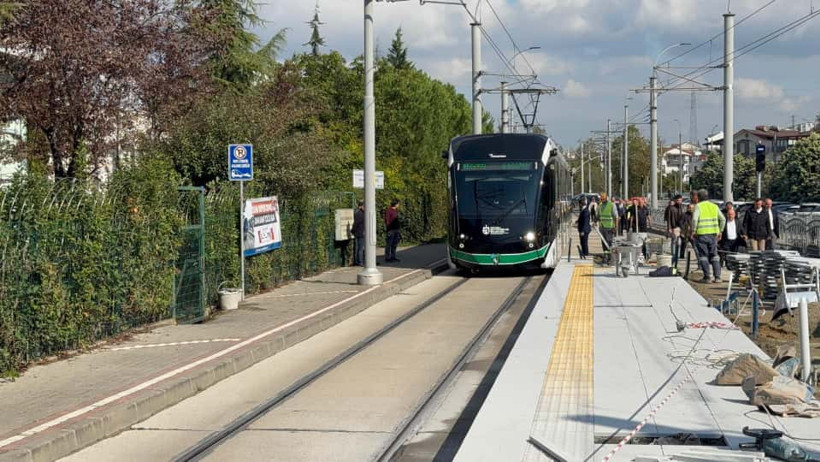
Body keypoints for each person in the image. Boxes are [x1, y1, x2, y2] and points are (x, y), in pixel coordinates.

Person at [691, 189, 726, 283]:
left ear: (699, 197)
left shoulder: (698, 206)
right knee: (715, 256)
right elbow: (723, 219)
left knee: (703, 256)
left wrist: (693, 230)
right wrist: (720, 231)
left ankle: (707, 277)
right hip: (713, 235)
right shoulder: (714, 206)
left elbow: (694, 219)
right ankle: (717, 277)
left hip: (701, 234)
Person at [598, 193, 619, 264]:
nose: (602, 201)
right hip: (602, 227)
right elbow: (598, 215)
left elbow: (616, 217)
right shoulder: (600, 205)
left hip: (609, 227)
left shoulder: (612, 205)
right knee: (603, 243)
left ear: (606, 198)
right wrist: (595, 221)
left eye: (603, 199)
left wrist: (616, 227)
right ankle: (605, 256)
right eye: (602, 199)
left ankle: (610, 258)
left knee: (609, 242)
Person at [352, 200, 365, 266]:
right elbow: (356, 223)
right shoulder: (359, 214)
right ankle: (360, 261)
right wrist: (353, 230)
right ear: (361, 206)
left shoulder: (359, 213)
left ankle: (360, 261)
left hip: (360, 232)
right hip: (360, 232)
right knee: (360, 248)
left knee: (360, 247)